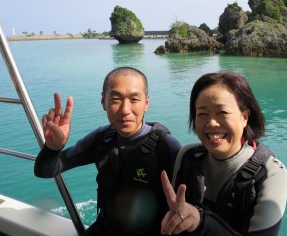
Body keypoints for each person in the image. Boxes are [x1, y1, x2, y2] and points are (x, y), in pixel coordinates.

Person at [34, 67, 181, 236]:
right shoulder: (103, 139)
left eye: (134, 99)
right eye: (116, 99)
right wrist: (53, 148)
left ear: (146, 103)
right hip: (106, 229)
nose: (125, 109)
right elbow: (45, 171)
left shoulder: (166, 147)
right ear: (103, 101)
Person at [160, 71, 287, 236]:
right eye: (202, 114)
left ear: (244, 117)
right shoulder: (187, 156)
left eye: (222, 113)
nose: (212, 122)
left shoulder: (271, 173)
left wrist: (200, 221)